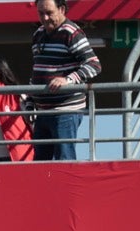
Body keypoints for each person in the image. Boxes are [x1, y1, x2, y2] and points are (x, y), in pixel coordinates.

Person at [30, 0, 101, 161]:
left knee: (64, 158)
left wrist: (68, 80)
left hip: (65, 110)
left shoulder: (71, 33)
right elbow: (38, 69)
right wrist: (30, 101)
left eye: (49, 12)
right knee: (39, 163)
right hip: (42, 111)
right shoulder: (38, 34)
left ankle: (66, 187)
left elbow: (94, 64)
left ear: (62, 9)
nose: (45, 18)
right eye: (41, 13)